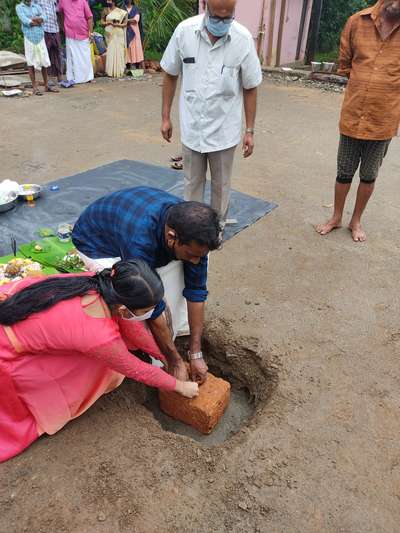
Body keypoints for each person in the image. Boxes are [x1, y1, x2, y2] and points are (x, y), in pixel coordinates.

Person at [0, 259, 199, 463]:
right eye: (146, 310)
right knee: (97, 366)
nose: (149, 314)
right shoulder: (98, 336)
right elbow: (135, 369)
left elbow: (132, 328)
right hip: (7, 354)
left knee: (104, 357)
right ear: (123, 309)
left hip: (16, 318)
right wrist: (180, 387)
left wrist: (165, 358)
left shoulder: (100, 285)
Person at [72, 186, 222, 385]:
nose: (196, 261)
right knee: (142, 298)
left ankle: (175, 337)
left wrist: (196, 353)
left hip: (134, 228)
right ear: (171, 238)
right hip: (97, 245)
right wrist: (174, 361)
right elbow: (150, 302)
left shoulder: (194, 235)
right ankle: (155, 353)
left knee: (180, 274)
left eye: (198, 255)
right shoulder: (140, 240)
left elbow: (196, 291)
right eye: (192, 255)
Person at [160, 0, 263, 222]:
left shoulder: (243, 39)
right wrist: (165, 117)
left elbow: (251, 87)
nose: (221, 22)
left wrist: (250, 131)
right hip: (192, 128)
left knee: (221, 186)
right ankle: (191, 230)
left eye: (228, 17)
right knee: (192, 184)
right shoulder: (184, 32)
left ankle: (216, 230)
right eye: (216, 17)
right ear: (206, 7)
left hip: (224, 132)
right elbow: (170, 74)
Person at [316, 0, 400, 242]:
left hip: (384, 120)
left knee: (369, 174)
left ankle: (356, 220)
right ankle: (336, 217)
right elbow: (345, 63)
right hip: (353, 116)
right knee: (344, 171)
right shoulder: (356, 21)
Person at [16, 0, 58, 95]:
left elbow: (44, 17)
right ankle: (35, 87)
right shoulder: (19, 7)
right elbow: (25, 21)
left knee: (43, 61)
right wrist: (37, 21)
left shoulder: (37, 6)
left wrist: (36, 20)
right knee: (31, 62)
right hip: (29, 37)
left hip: (40, 36)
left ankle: (46, 86)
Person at [58, 0, 94, 84]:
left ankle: (88, 77)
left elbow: (90, 17)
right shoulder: (63, 1)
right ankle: (73, 78)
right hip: (70, 34)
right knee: (71, 57)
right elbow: (60, 13)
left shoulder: (83, 2)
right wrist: (63, 26)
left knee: (85, 56)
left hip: (83, 33)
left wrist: (91, 32)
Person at [36, 0, 63, 84]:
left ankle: (59, 76)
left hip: (55, 28)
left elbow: (58, 12)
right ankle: (48, 78)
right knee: (45, 53)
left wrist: (61, 26)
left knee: (57, 52)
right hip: (44, 29)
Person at [101, 0, 128, 78]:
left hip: (118, 32)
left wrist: (118, 25)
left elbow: (125, 23)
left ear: (114, 1)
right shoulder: (105, 10)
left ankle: (119, 71)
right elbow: (102, 21)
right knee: (110, 51)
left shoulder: (121, 12)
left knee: (119, 51)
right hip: (109, 33)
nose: (108, 1)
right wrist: (108, 23)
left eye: (109, 0)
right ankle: (110, 72)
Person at [125, 0, 144, 71]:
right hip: (126, 31)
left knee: (135, 47)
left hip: (135, 32)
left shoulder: (136, 9)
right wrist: (129, 20)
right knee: (128, 47)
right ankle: (129, 63)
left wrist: (126, 20)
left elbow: (136, 20)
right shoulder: (123, 9)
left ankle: (135, 63)